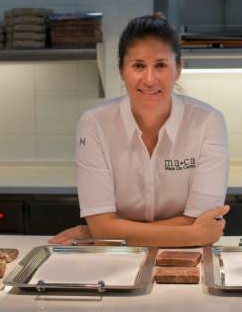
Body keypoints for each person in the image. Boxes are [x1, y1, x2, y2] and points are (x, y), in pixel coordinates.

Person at [49, 13, 230, 247]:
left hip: (187, 258)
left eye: (161, 65)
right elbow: (102, 226)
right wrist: (192, 234)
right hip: (119, 261)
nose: (149, 79)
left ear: (179, 68)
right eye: (138, 66)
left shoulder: (208, 122)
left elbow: (200, 220)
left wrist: (109, 233)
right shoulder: (94, 124)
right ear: (121, 70)